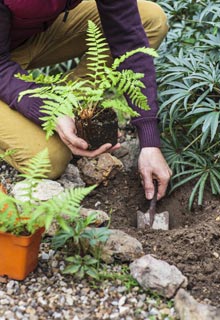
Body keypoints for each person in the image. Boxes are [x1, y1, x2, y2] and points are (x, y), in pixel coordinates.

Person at [0, 0, 172, 201]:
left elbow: (128, 36)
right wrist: (48, 109)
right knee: (49, 158)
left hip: (26, 37)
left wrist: (149, 141)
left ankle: (71, 109)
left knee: (150, 19)